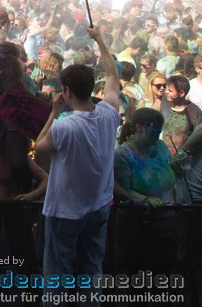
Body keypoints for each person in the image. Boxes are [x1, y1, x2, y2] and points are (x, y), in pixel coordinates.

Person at [34, 25, 119, 288]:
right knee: (92, 270)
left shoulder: (64, 126)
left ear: (67, 91)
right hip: (99, 206)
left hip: (66, 212)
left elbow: (38, 149)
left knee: (57, 274)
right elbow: (113, 75)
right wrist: (101, 42)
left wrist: (53, 113)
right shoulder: (109, 113)